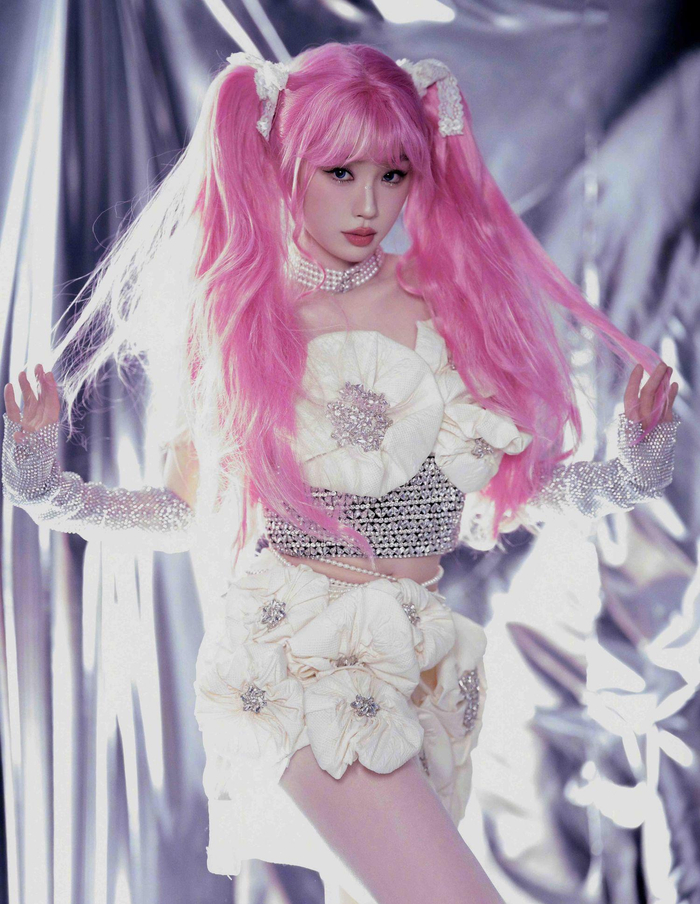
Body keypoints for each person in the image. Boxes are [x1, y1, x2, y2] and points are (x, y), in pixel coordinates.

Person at [1, 42, 681, 904]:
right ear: (286, 163)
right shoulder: (239, 319)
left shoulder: (445, 303)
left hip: (418, 666)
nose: (369, 204)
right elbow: (182, 511)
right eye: (340, 172)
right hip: (302, 666)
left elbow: (504, 497)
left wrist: (630, 471)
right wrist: (44, 489)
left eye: (393, 174)